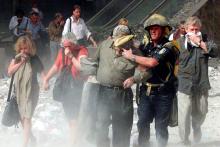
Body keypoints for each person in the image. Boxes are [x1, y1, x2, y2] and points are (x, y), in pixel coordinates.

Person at [122, 14, 179, 147]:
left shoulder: (169, 47)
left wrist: (132, 57)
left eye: (156, 28)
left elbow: (153, 62)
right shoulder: (148, 46)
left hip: (163, 94)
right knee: (142, 124)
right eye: (151, 28)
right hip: (146, 92)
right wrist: (123, 38)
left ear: (164, 30)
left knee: (160, 127)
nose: (153, 31)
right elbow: (136, 44)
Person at [90, 25, 150, 147]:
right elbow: (93, 61)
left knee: (122, 128)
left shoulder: (135, 52)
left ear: (128, 39)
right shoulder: (104, 45)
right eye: (116, 39)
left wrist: (134, 79)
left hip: (122, 95)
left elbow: (147, 71)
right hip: (103, 92)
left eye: (123, 40)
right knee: (101, 126)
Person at [176, 16, 218, 146]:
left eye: (196, 29)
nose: (194, 32)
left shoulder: (205, 41)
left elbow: (215, 52)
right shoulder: (179, 43)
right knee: (183, 116)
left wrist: (199, 43)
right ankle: (185, 141)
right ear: (186, 29)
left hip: (201, 84)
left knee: (201, 111)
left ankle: (197, 127)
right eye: (191, 29)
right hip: (185, 85)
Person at [43, 32, 88, 145]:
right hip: (65, 88)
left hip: (77, 88)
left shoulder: (82, 51)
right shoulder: (62, 51)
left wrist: (71, 56)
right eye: (64, 46)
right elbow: (56, 66)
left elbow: (82, 68)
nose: (66, 48)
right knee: (71, 118)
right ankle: (76, 139)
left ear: (74, 44)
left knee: (74, 119)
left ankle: (73, 143)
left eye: (69, 46)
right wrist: (46, 79)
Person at [7, 35, 45, 147]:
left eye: (26, 48)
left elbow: (42, 71)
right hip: (19, 91)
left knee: (27, 117)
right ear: (18, 48)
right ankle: (31, 138)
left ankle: (25, 144)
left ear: (30, 48)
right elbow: (10, 71)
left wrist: (45, 81)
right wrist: (21, 63)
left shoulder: (34, 58)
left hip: (31, 91)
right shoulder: (16, 58)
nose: (23, 50)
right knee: (22, 118)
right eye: (21, 48)